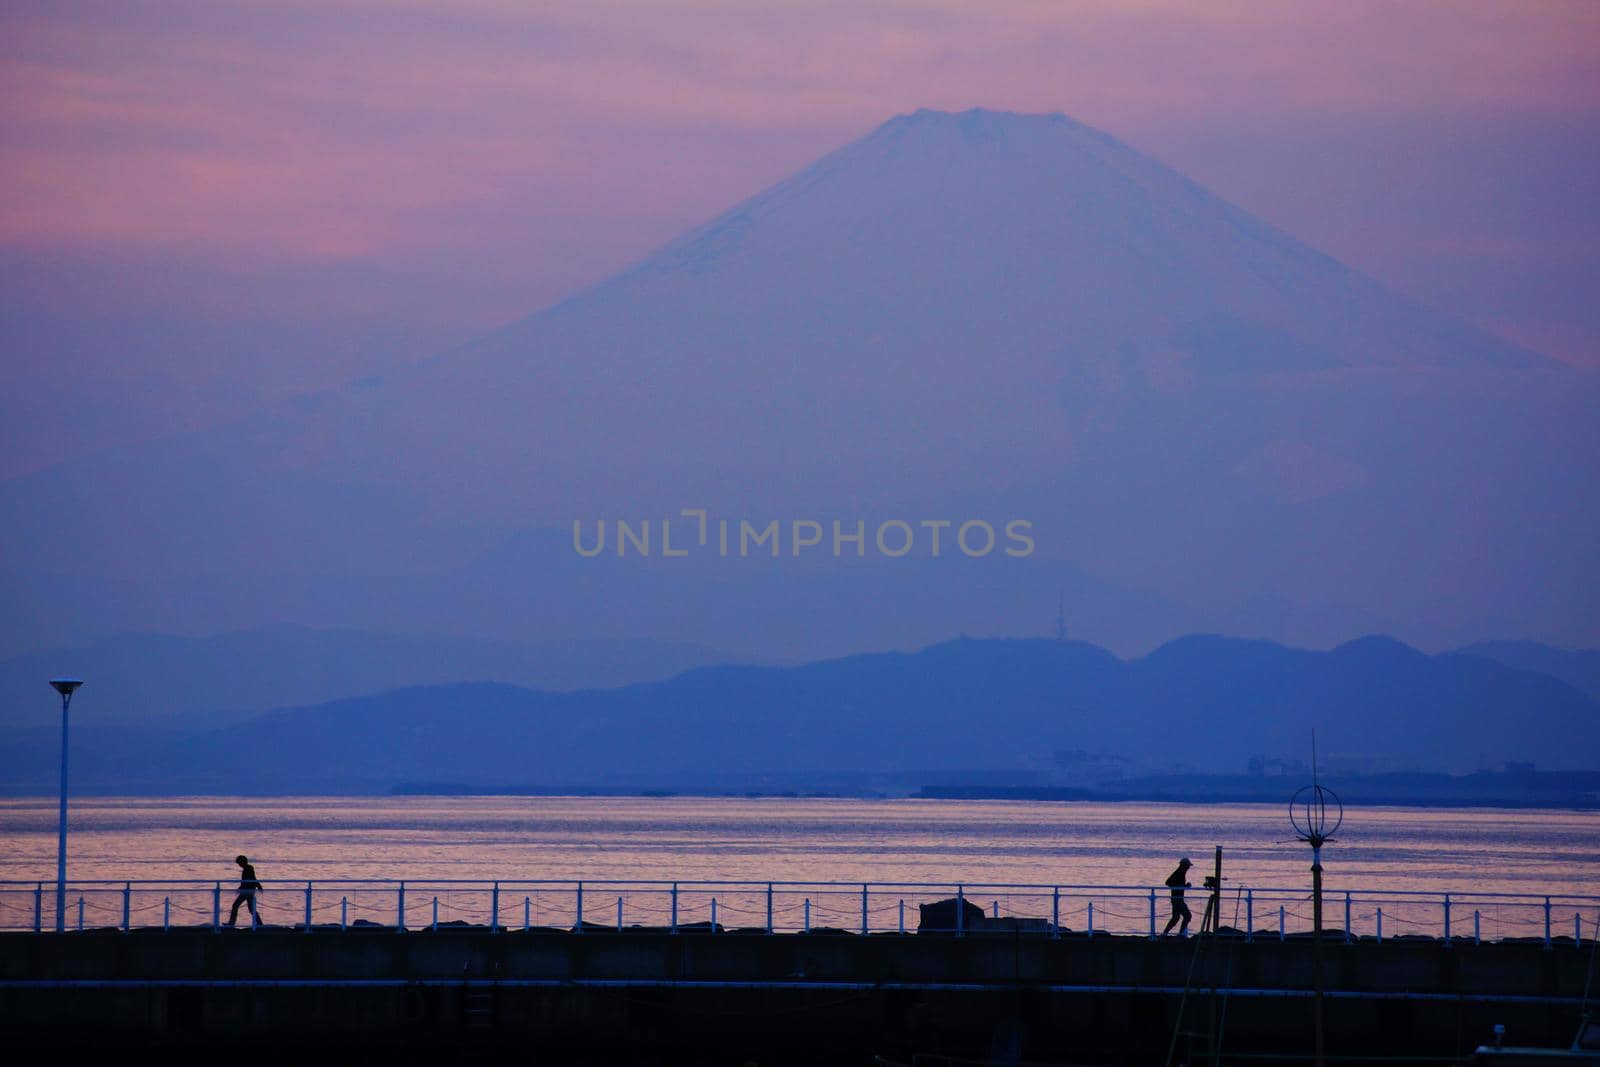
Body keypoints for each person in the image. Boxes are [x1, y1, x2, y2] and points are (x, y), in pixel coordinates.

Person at [225, 854, 262, 928]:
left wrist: (258, 886)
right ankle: (260, 924)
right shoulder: (248, 868)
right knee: (251, 909)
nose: (239, 865)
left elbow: (251, 879)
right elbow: (252, 879)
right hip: (248, 890)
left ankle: (231, 923)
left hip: (247, 891)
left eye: (239, 863)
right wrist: (258, 886)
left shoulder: (248, 868)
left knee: (235, 905)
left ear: (242, 862)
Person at [1162, 857, 1193, 936]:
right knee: (1187, 916)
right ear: (1184, 865)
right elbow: (1168, 882)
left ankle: (1165, 933)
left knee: (1175, 918)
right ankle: (1180, 934)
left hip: (1176, 899)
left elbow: (1171, 883)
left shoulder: (1180, 873)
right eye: (1188, 866)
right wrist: (1184, 886)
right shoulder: (1179, 873)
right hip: (1177, 899)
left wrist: (1183, 886)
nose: (1189, 867)